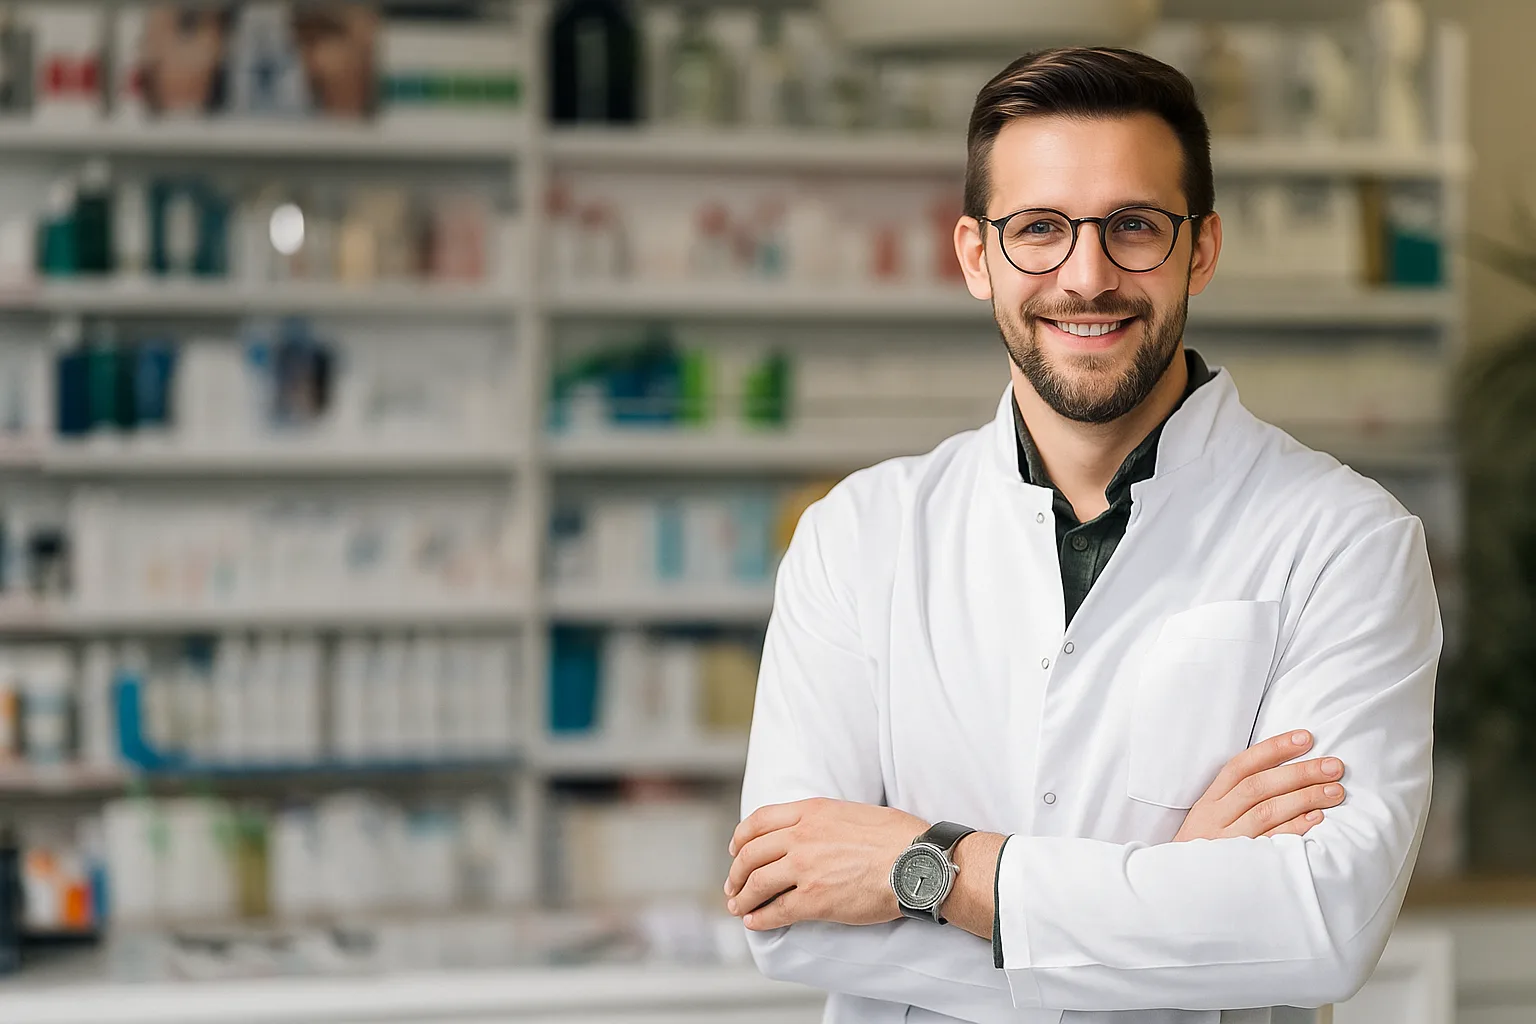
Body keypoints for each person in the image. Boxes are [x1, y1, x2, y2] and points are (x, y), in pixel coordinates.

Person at [725, 47, 1439, 1024]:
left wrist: (923, 868)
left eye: (1134, 226)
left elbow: (1323, 927)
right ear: (975, 256)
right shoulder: (856, 537)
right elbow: (787, 918)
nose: (1087, 276)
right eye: (1039, 229)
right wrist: (1177, 892)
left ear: (1201, 249)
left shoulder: (1346, 543)